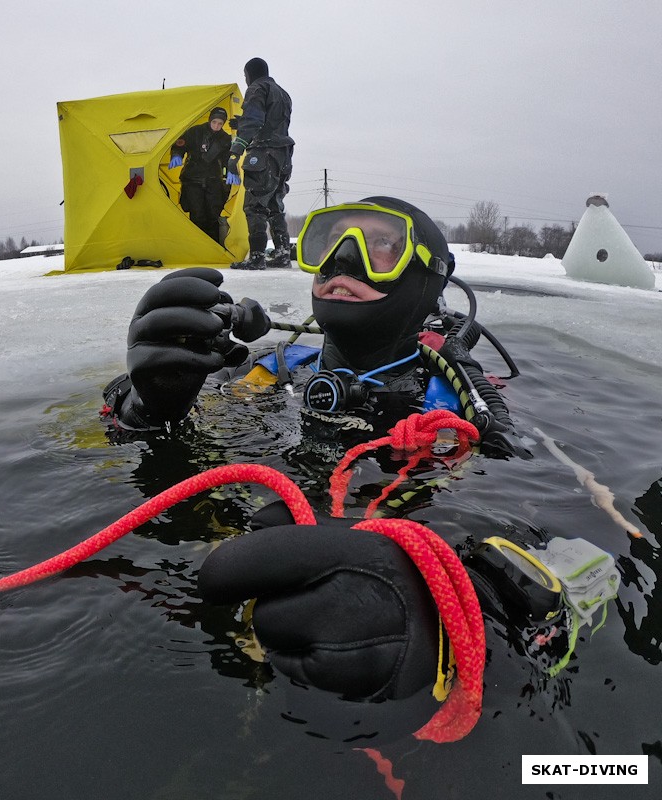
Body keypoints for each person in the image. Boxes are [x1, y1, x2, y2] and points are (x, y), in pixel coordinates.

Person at [100, 196, 609, 733]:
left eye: (381, 244)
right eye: (329, 243)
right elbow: (109, 451)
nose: (344, 260)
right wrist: (144, 409)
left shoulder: (468, 403)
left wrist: (453, 611)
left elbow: (587, 544)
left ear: (430, 277)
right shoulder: (273, 368)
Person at [226, 57, 295, 271]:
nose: (245, 79)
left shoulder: (257, 88)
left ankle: (257, 256)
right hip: (283, 153)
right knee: (275, 204)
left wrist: (236, 151)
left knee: (255, 204)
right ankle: (283, 253)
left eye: (245, 75)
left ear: (250, 73)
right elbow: (270, 120)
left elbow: (255, 121)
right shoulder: (282, 93)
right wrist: (242, 122)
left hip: (264, 153)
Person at [168, 107, 232, 242]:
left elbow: (227, 160)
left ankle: (214, 247)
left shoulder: (225, 139)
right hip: (192, 180)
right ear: (210, 120)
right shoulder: (195, 132)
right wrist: (176, 155)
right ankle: (198, 245)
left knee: (213, 215)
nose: (217, 126)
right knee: (197, 214)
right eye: (214, 122)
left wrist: (230, 172)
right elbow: (180, 144)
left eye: (220, 123)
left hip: (213, 180)